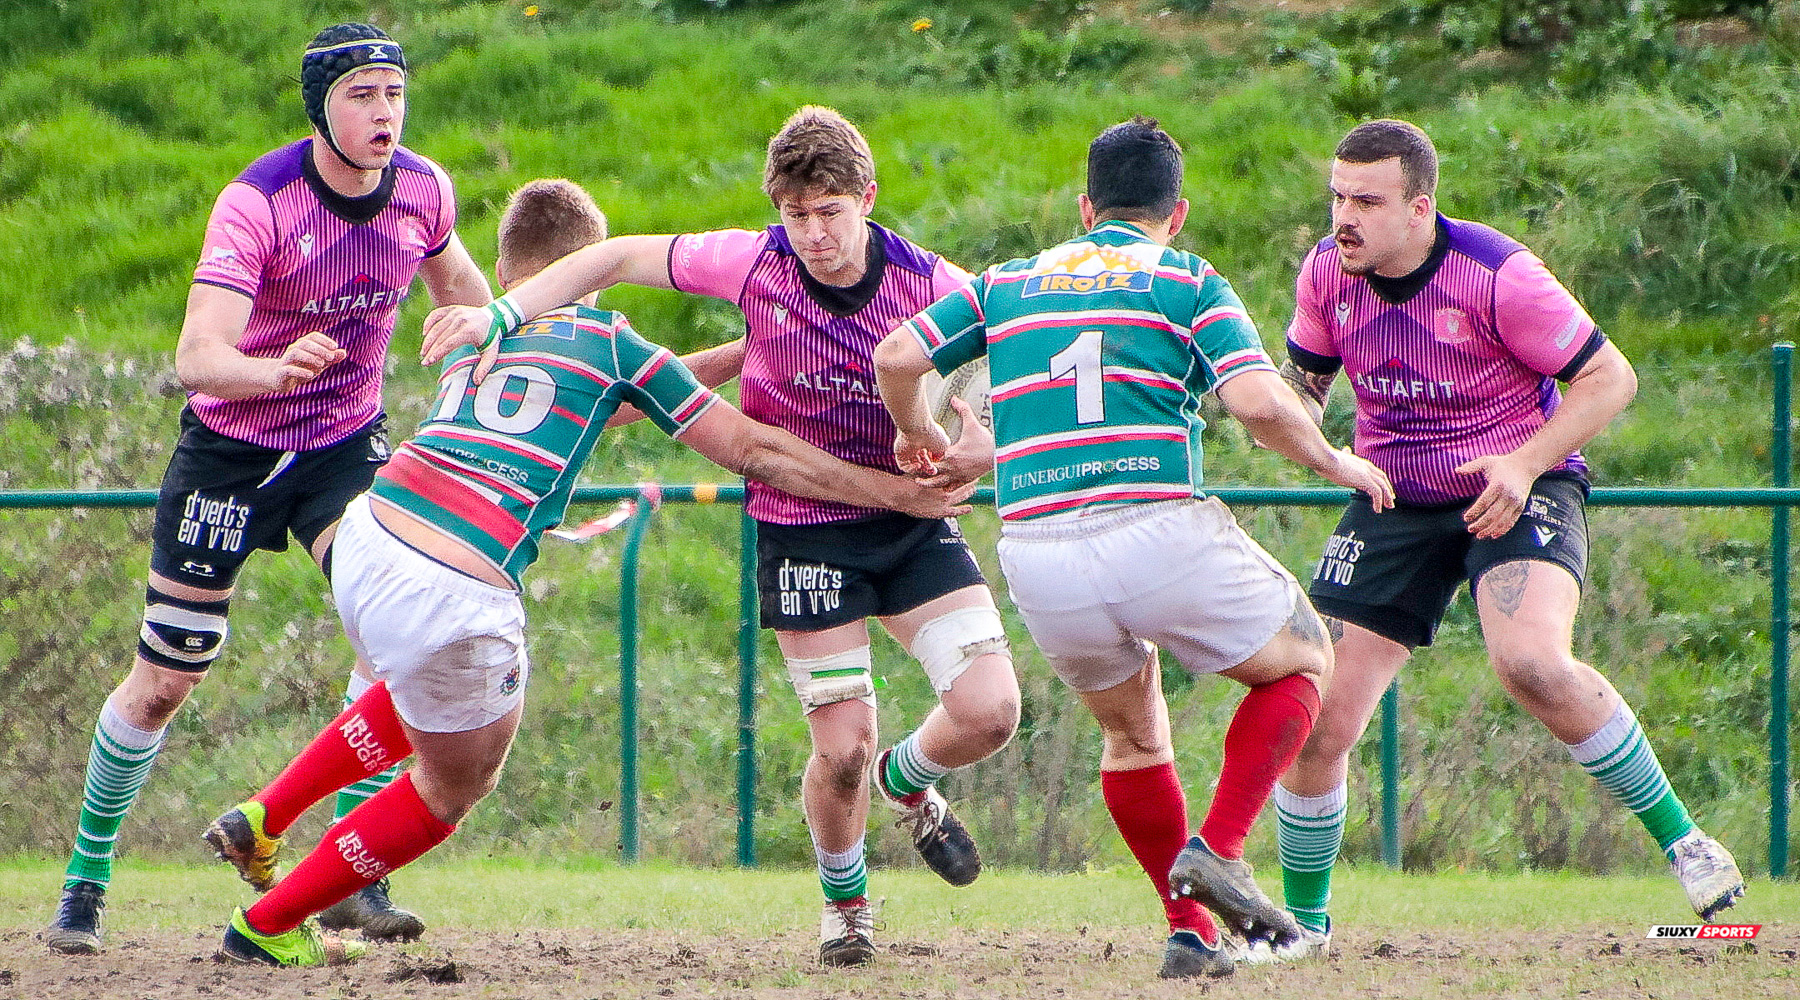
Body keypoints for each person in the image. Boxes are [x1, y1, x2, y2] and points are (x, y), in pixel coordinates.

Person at [203, 177, 975, 966]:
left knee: (423, 698)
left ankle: (263, 818)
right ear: (588, 267)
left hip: (369, 538)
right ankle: (267, 926)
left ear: (508, 273)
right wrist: (896, 494)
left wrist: (744, 354)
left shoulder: (476, 334)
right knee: (454, 780)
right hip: (455, 582)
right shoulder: (609, 344)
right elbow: (752, 448)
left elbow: (612, 399)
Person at [421, 106, 1021, 968]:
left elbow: (1014, 357)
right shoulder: (752, 262)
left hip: (909, 521)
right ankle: (846, 907)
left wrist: (987, 439)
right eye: (796, 215)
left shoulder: (931, 281)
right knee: (842, 751)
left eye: (830, 213)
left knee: (990, 712)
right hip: (804, 531)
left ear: (868, 200)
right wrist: (500, 317)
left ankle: (906, 780)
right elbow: (614, 257)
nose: (813, 235)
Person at [873, 115, 1396, 980]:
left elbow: (897, 354)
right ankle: (1220, 849)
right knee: (1305, 663)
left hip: (1038, 550)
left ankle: (1189, 932)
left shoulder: (1006, 283)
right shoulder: (1184, 278)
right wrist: (1335, 459)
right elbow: (1258, 404)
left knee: (1133, 737)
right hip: (1154, 527)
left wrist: (918, 432)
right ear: (1175, 214)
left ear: (1086, 207)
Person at [42, 23, 493, 955]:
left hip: (343, 450)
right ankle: (85, 879)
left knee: (398, 641)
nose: (384, 114)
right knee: (165, 682)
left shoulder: (423, 189)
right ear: (320, 108)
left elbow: (466, 292)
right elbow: (197, 357)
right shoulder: (260, 202)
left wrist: (486, 336)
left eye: (394, 94)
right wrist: (273, 369)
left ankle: (355, 877)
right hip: (231, 453)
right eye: (361, 96)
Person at [1265, 118, 1744, 960]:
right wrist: (1298, 427)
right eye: (1337, 197)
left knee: (1531, 663)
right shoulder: (1326, 273)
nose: (1344, 218)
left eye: (1367, 202)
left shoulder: (1496, 274)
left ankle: (1687, 844)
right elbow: (1301, 386)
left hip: (1516, 480)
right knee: (1315, 714)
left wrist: (1524, 465)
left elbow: (1611, 378)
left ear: (1421, 208)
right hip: (1395, 497)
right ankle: (1305, 928)